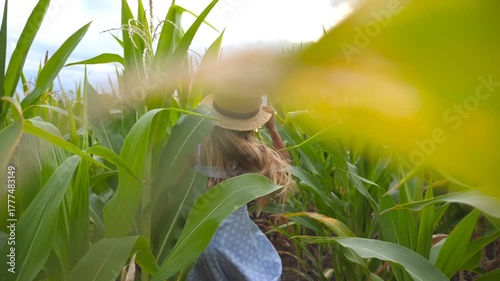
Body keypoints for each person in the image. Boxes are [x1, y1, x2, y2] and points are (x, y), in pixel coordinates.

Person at [187, 93, 294, 281]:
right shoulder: (247, 154)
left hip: (195, 237)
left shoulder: (194, 148)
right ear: (250, 124)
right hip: (232, 238)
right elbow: (285, 163)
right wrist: (273, 129)